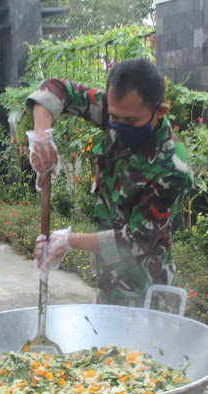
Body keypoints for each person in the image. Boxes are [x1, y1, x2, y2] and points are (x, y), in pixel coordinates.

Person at [27, 58, 192, 307]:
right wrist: (42, 138)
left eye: (131, 121)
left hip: (147, 295)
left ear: (159, 112)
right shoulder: (116, 109)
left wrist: (67, 242)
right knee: (103, 346)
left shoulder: (172, 167)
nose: (120, 126)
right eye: (114, 117)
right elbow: (54, 88)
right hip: (108, 284)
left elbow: (135, 242)